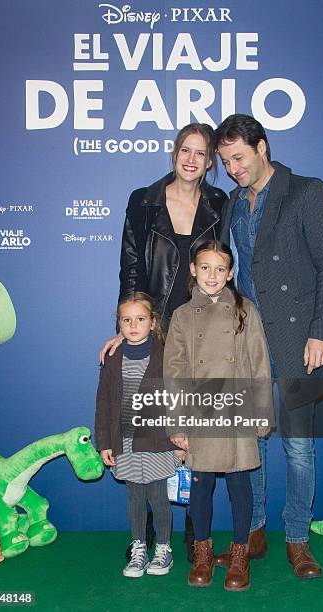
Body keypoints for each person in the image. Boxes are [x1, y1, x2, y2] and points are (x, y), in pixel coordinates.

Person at [216, 113, 323, 578]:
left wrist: (321, 331)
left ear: (262, 147)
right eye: (226, 161)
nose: (233, 168)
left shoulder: (307, 191)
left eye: (238, 158)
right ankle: (253, 533)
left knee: (298, 447)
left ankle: (297, 539)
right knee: (251, 441)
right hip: (250, 342)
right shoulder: (233, 203)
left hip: (299, 340)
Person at [100, 123, 228, 560]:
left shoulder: (219, 203)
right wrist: (127, 325)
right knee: (150, 431)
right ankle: (150, 537)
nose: (192, 159)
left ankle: (197, 537)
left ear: (211, 161)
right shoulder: (143, 200)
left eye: (201, 153)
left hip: (200, 328)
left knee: (196, 432)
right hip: (155, 332)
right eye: (185, 150)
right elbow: (130, 265)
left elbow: (223, 267)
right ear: (173, 154)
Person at [164, 240, 273, 591]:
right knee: (202, 484)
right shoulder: (181, 316)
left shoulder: (246, 309)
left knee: (241, 483)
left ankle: (240, 554)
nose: (212, 275)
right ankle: (203, 552)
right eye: (205, 267)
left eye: (220, 269)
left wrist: (262, 412)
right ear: (193, 270)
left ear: (230, 274)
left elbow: (259, 364)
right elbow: (175, 372)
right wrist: (177, 422)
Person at [95, 291, 182, 578]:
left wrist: (182, 439)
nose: (133, 325)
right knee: (134, 497)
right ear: (118, 324)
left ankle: (164, 549)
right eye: (126, 320)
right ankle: (139, 548)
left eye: (140, 319)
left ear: (153, 322)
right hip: (126, 442)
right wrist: (104, 443)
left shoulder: (166, 353)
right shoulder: (111, 357)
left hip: (158, 440)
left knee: (158, 497)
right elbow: (104, 402)